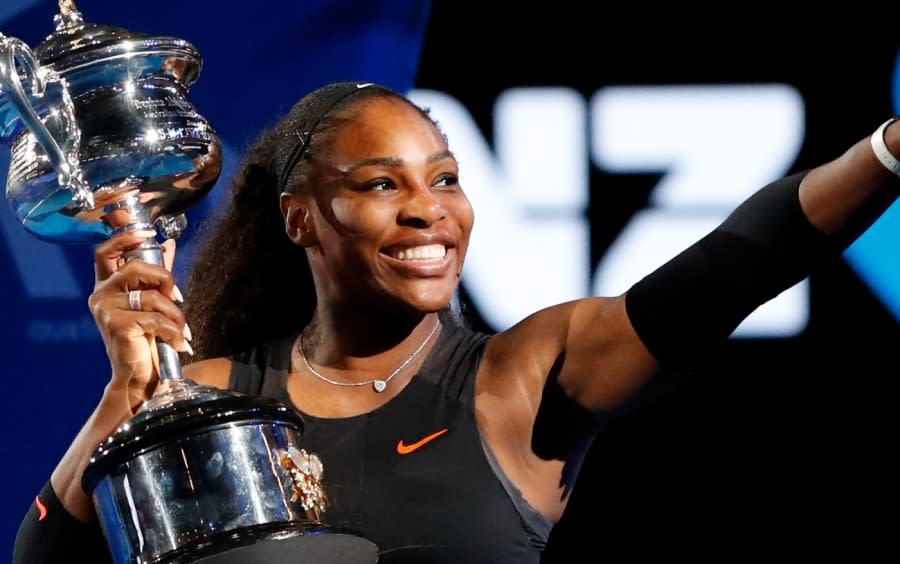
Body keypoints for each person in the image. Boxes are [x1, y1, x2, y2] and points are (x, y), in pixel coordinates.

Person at [13, 81, 900, 563]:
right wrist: (125, 399)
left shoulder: (524, 378)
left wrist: (887, 151)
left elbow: (733, 266)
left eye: (443, 179)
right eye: (379, 185)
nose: (428, 212)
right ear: (299, 220)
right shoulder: (215, 396)